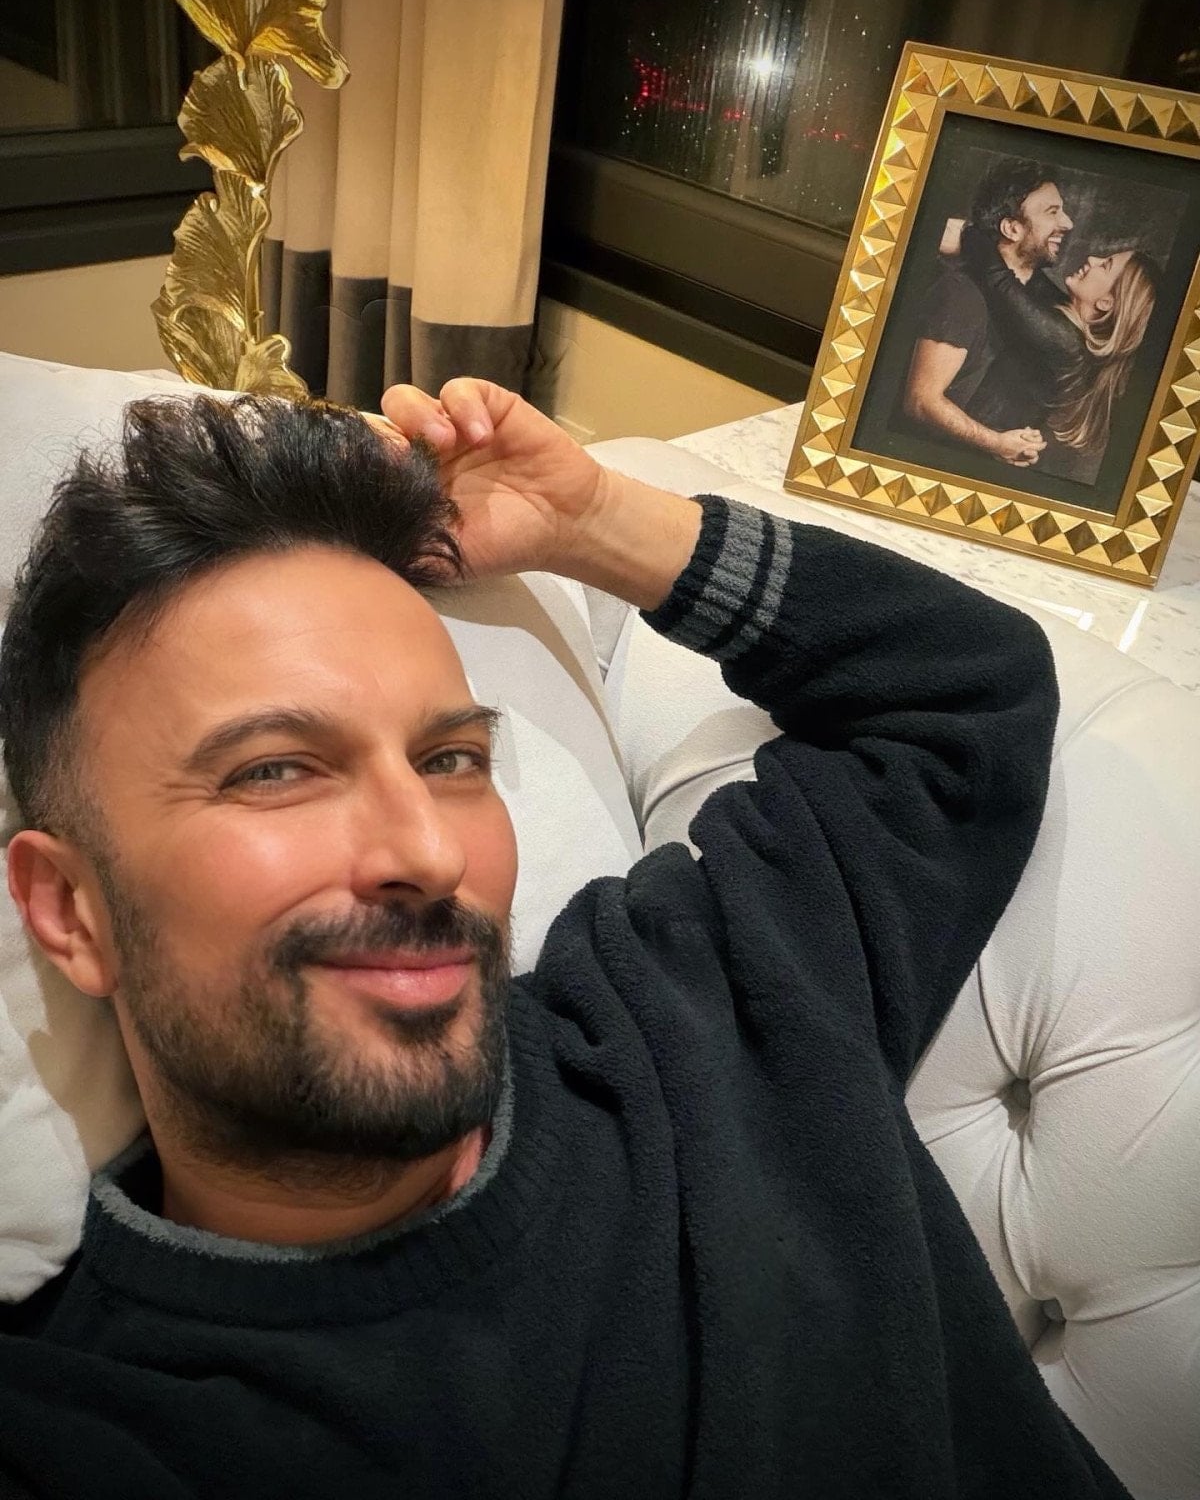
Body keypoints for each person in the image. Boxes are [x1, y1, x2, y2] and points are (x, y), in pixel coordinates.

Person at [0, 382, 1130, 1499]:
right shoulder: (81, 1426)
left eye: (451, 760)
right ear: (67, 909)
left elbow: (960, 696)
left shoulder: (697, 1003)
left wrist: (590, 522)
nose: (428, 851)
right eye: (275, 770)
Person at [900, 156, 1074, 469]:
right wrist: (997, 443)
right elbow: (921, 402)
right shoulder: (961, 294)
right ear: (1012, 228)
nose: (1068, 223)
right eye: (1052, 212)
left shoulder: (1042, 302)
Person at [960, 219, 1161, 485]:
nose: (1092, 259)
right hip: (978, 450)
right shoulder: (1069, 326)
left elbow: (997, 279)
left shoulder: (1064, 342)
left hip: (975, 459)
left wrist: (967, 231)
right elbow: (1030, 276)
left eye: (1105, 265)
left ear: (1106, 302)